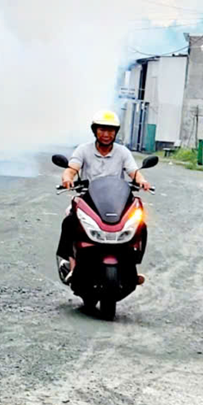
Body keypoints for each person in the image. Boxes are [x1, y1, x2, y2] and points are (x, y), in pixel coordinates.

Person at [56, 109, 152, 283]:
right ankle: (72, 265)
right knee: (69, 220)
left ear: (116, 132)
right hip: (88, 200)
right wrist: (67, 179)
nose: (106, 134)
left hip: (117, 201)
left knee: (140, 223)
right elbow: (71, 169)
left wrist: (142, 181)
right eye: (102, 130)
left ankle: (132, 266)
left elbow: (134, 172)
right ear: (95, 131)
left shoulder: (122, 152)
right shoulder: (83, 150)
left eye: (110, 130)